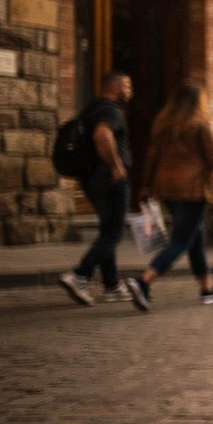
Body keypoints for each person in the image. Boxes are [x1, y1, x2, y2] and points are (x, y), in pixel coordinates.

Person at [126, 84, 213, 311]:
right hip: (193, 188)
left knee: (195, 236)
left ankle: (207, 289)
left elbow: (153, 154)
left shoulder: (163, 123)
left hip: (167, 187)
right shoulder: (201, 123)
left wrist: (146, 185)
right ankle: (143, 282)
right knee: (181, 241)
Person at [58, 72, 135, 306]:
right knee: (113, 234)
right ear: (113, 88)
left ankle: (112, 286)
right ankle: (80, 275)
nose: (131, 91)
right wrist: (116, 165)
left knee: (107, 230)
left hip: (91, 180)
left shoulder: (90, 109)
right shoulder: (110, 110)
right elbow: (103, 135)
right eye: (127, 85)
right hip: (109, 178)